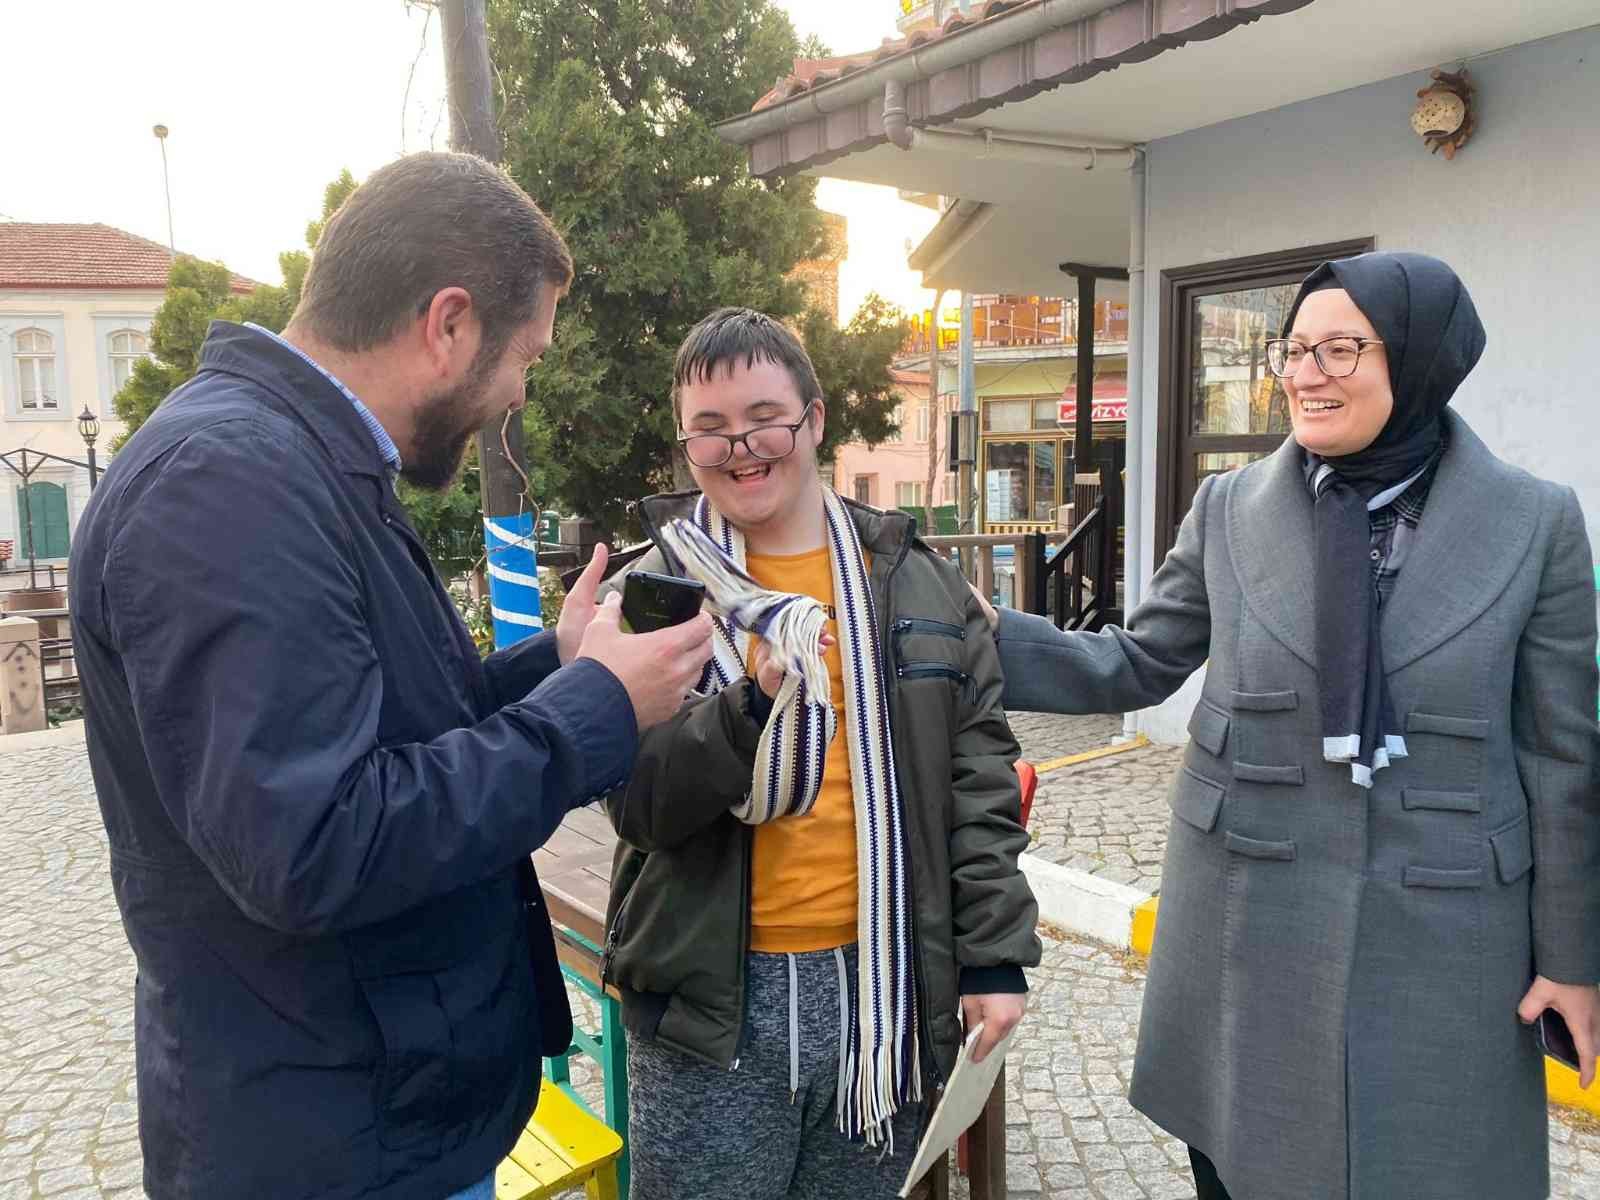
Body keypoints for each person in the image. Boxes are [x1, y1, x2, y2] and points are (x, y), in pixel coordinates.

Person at [67, 151, 713, 1200]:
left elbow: (388, 731)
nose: (514, 398)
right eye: (525, 359)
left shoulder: (296, 462)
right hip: (331, 1147)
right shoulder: (229, 483)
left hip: (372, 1118)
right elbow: (314, 843)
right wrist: (597, 707)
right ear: (448, 322)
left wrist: (555, 660)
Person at [975, 252, 1600, 1200]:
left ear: (1423, 359)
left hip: (1452, 942)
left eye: (1342, 348)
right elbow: (1135, 662)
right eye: (1295, 350)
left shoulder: (1537, 524)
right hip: (1249, 929)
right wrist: (974, 628)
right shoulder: (1228, 511)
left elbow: (1564, 759)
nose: (1307, 374)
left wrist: (1573, 960)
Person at [596, 308, 1041, 1199]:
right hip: (709, 1006)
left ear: (816, 419)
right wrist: (753, 702)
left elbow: (979, 780)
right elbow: (638, 804)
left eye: (765, 418)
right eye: (709, 431)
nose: (741, 449)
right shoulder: (652, 594)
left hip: (879, 988)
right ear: (685, 444)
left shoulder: (916, 581)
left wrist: (992, 959)